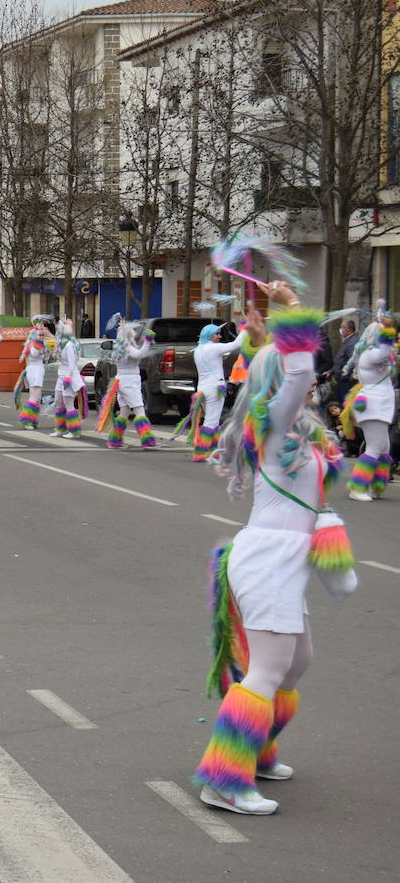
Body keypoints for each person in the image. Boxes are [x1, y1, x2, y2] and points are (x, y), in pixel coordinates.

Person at [192, 285, 353, 816]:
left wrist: (265, 337)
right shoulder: (274, 427)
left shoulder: (296, 435)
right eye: (289, 376)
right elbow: (304, 373)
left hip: (285, 559)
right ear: (279, 384)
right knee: (268, 668)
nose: (303, 386)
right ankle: (224, 779)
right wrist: (289, 313)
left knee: (295, 662)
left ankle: (255, 750)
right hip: (268, 559)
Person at [341, 305, 396, 501]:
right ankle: (357, 487)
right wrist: (388, 329)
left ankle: (375, 486)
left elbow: (388, 356)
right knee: (375, 446)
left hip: (380, 404)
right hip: (373, 405)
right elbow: (384, 352)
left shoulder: (377, 356)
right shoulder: (371, 355)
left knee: (384, 448)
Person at [174, 322, 247, 463]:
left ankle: (214, 451)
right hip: (215, 388)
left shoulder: (198, 349)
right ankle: (202, 451)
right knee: (212, 420)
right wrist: (245, 329)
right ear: (209, 335)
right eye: (217, 334)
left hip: (202, 388)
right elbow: (236, 345)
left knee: (211, 419)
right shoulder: (213, 348)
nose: (220, 336)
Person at [97, 317, 158, 449]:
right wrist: (147, 341)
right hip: (130, 382)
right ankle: (147, 439)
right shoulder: (127, 347)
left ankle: (115, 440)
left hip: (121, 380)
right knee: (139, 409)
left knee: (124, 411)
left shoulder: (119, 348)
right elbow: (139, 354)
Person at [52, 319, 87, 439]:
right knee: (58, 402)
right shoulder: (62, 345)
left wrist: (67, 378)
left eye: (58, 331)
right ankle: (60, 428)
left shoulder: (69, 345)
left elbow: (72, 365)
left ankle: (74, 431)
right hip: (61, 376)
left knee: (69, 404)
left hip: (69, 376)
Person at [16, 319, 52, 430]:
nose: (42, 336)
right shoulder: (34, 345)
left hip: (38, 370)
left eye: (42, 334)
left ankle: (32, 420)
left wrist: (46, 348)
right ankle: (26, 420)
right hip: (34, 371)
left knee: (37, 397)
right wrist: (41, 345)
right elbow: (35, 354)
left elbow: (46, 357)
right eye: (40, 334)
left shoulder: (39, 344)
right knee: (34, 396)